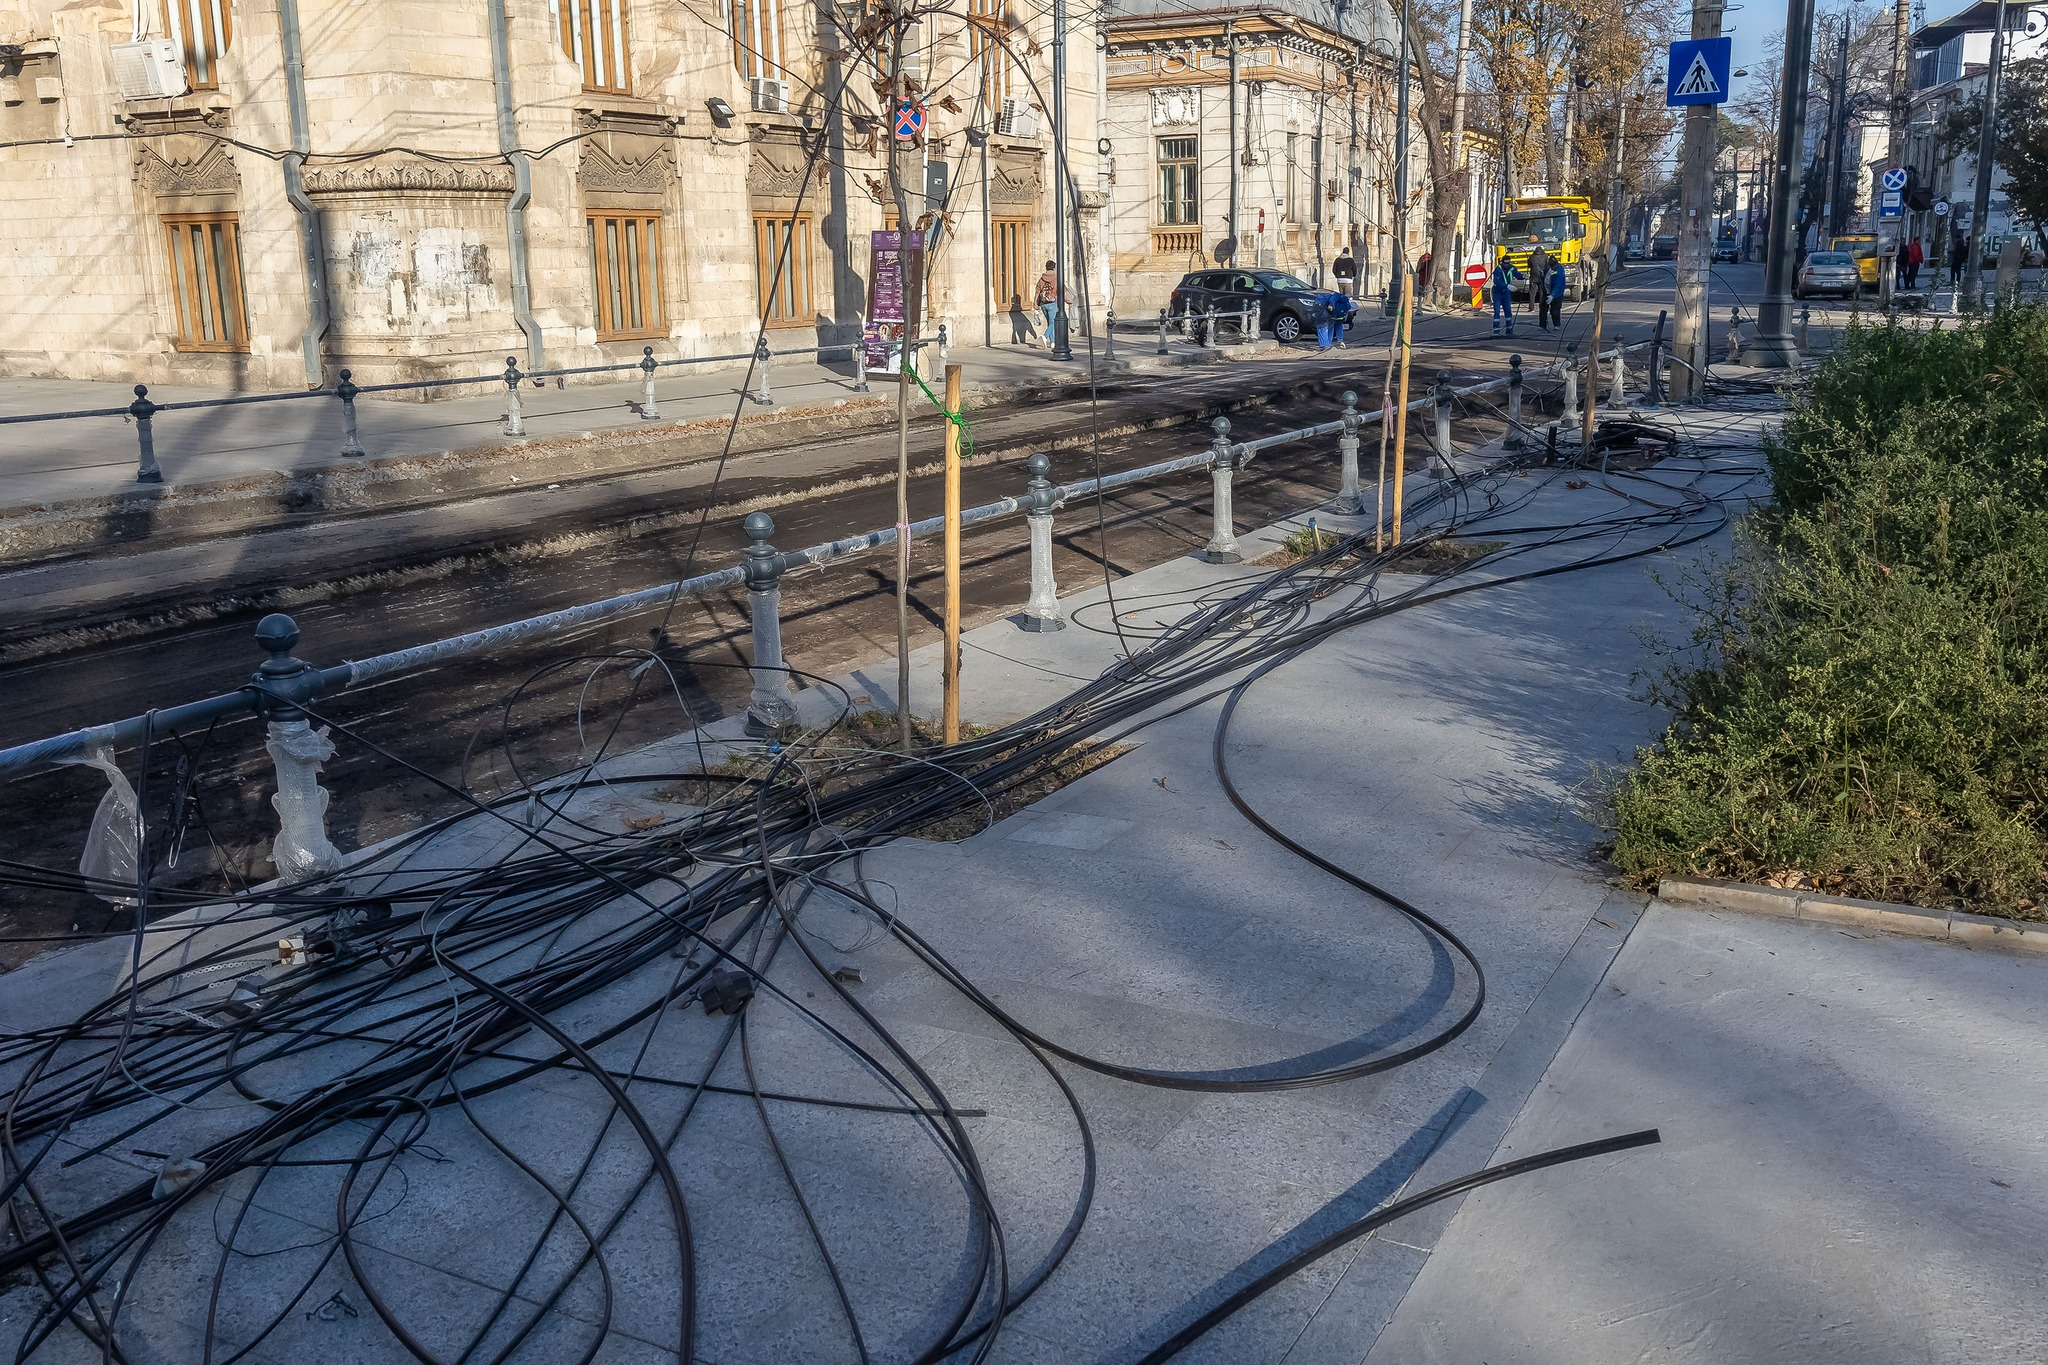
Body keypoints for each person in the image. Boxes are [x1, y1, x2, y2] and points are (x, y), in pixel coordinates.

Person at [1033, 260, 1061, 346]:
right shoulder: (1056, 278)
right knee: (1053, 322)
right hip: (1053, 303)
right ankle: (1044, 337)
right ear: (1054, 268)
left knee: (1050, 322)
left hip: (1043, 304)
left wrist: (1035, 303)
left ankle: (1052, 342)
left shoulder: (1041, 279)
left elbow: (1037, 292)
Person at [1490, 256, 1519, 336]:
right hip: (1497, 292)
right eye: (1505, 263)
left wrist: (1523, 276)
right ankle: (1496, 332)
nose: (1507, 265)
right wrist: (1507, 286)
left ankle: (1509, 331)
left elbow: (1517, 274)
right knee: (1497, 312)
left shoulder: (1512, 268)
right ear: (1502, 262)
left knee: (1508, 311)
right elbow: (1497, 281)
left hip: (1506, 293)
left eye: (1508, 263)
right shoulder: (1498, 269)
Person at [1527, 245, 1553, 316]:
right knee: (1542, 293)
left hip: (1533, 276)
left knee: (1532, 292)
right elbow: (1547, 266)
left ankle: (1531, 308)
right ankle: (1542, 307)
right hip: (1542, 276)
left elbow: (1529, 266)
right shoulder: (1545, 256)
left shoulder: (1531, 257)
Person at [1545, 255, 1567, 330]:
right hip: (1548, 290)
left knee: (1555, 309)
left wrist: (1552, 295)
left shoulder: (1559, 272)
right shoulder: (1549, 268)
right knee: (1549, 309)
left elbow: (1558, 285)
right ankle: (1544, 324)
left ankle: (1557, 324)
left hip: (1557, 293)